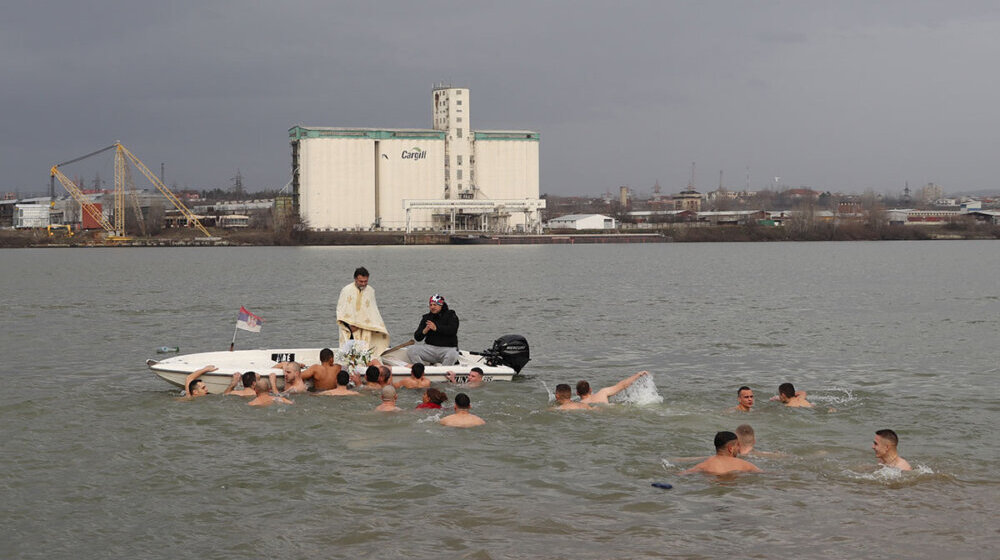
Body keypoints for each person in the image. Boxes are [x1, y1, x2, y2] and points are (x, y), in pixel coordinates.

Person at [336, 266, 390, 357]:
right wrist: (348, 326)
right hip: (349, 328)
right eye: (361, 281)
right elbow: (341, 310)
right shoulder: (346, 290)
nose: (364, 284)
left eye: (366, 281)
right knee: (350, 353)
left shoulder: (370, 291)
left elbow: (373, 311)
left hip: (366, 327)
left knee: (365, 352)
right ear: (355, 279)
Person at [406, 294, 460, 366]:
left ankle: (443, 372)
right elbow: (417, 337)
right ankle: (422, 370)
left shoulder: (451, 315)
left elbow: (453, 330)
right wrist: (424, 331)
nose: (432, 307)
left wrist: (436, 328)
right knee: (411, 350)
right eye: (430, 305)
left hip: (447, 349)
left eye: (435, 305)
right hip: (430, 349)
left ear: (441, 305)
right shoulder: (426, 317)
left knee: (453, 354)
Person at [681, 431, 762, 475]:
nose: (739, 448)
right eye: (737, 445)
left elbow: (681, 474)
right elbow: (766, 474)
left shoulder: (704, 465)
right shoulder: (744, 465)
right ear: (730, 448)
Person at [577, 371, 649, 404]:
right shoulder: (603, 392)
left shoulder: (579, 405)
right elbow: (623, 385)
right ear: (590, 389)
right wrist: (638, 374)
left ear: (577, 393)